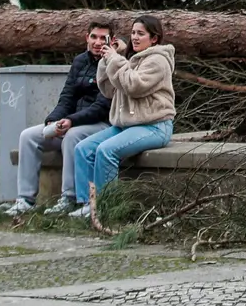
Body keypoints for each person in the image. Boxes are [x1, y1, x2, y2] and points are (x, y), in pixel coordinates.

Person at [3, 23, 118, 215]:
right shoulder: (80, 61)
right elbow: (67, 97)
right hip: (71, 121)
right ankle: (25, 199)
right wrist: (53, 120)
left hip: (100, 125)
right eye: (94, 37)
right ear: (86, 38)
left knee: (73, 136)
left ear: (111, 41)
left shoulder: (114, 63)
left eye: (103, 38)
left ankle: (69, 198)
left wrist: (71, 121)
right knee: (28, 136)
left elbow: (101, 107)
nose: (97, 42)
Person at [69, 15, 175, 218]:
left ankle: (107, 207)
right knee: (83, 149)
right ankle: (87, 205)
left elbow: (134, 86)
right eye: (133, 32)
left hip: (154, 127)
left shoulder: (158, 61)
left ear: (154, 38)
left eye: (140, 34)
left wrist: (115, 59)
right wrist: (105, 60)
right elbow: (109, 90)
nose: (134, 37)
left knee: (106, 151)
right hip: (126, 126)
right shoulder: (131, 59)